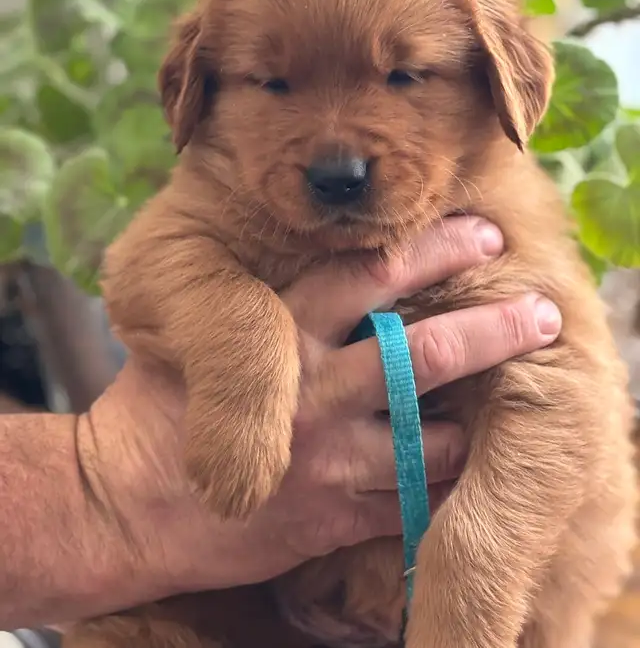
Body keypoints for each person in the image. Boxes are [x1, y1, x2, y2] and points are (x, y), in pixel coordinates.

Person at [0, 216, 561, 641]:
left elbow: (567, 412)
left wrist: (466, 597)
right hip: (243, 607)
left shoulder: (498, 218)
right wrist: (102, 489)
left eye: (404, 78)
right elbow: (145, 268)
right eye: (276, 84)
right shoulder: (219, 203)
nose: (336, 148)